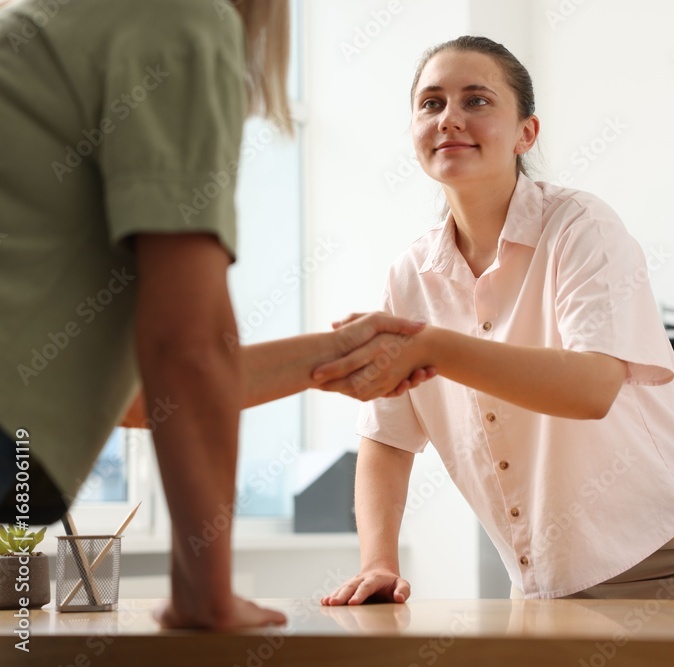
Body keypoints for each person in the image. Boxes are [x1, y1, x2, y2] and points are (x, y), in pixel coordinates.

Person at [0, 0, 428, 629]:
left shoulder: (61, 29)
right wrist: (204, 595)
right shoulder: (179, 20)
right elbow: (186, 351)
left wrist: (335, 354)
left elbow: (147, 392)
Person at [318, 36, 674, 604]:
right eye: (431, 103)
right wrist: (378, 561)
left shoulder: (580, 227)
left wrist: (432, 348)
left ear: (526, 133)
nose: (450, 118)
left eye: (476, 101)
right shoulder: (408, 277)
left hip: (671, 556)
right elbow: (387, 439)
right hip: (545, 581)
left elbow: (591, 387)